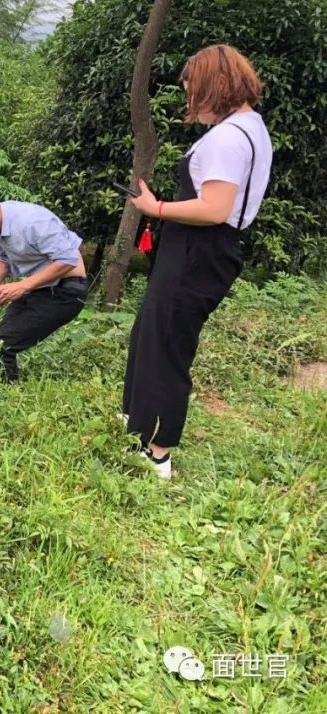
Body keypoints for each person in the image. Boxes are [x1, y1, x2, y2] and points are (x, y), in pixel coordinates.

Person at [123, 44, 272, 479]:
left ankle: (159, 451)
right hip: (197, 249)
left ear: (219, 86)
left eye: (195, 94)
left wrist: (158, 209)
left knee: (169, 344)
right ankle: (138, 420)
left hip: (198, 250)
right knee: (152, 330)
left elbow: (215, 208)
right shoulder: (249, 126)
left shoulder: (228, 137)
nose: (191, 105)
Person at [0, 196, 88, 383]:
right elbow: (0, 256)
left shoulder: (32, 222)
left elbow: (67, 260)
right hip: (40, 289)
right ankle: (2, 395)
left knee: (0, 346)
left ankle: (8, 400)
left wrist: (22, 286)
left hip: (66, 292)